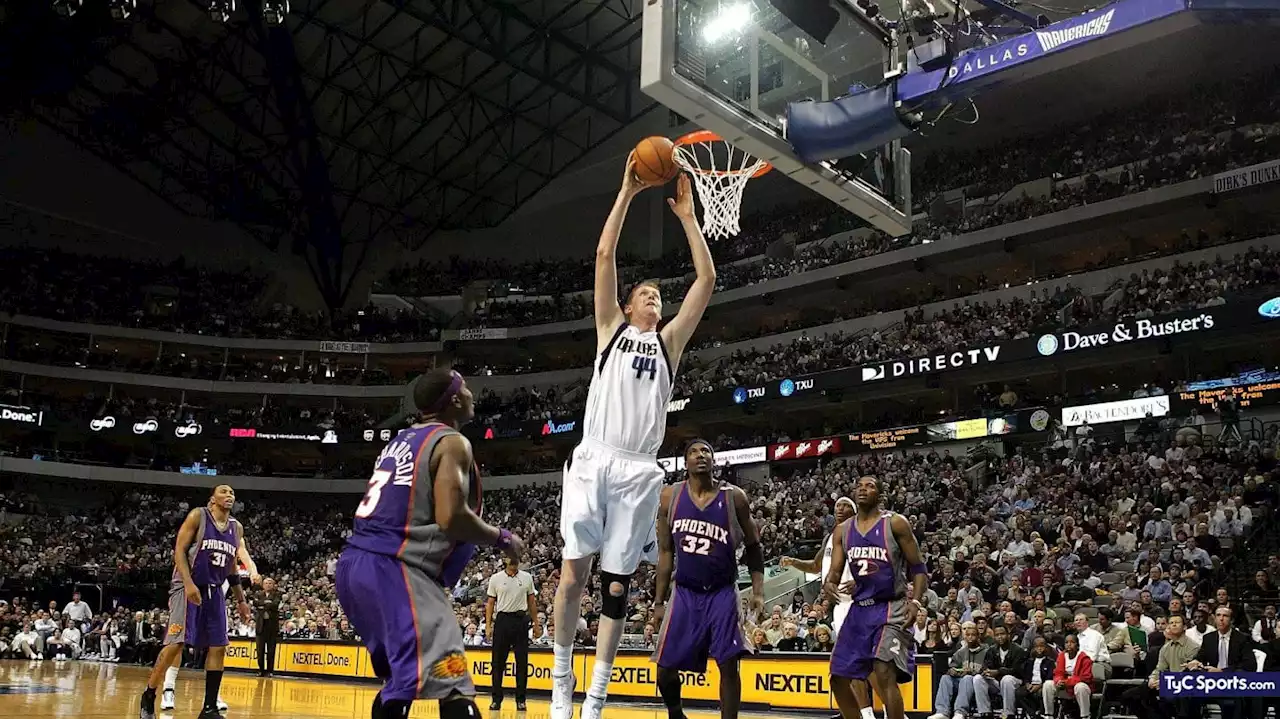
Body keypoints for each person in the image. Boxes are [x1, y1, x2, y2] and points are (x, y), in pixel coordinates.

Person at [552, 158, 717, 719]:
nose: (655, 299)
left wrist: (689, 219)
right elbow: (604, 257)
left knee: (616, 587)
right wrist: (625, 192)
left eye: (657, 297)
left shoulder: (669, 344)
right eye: (645, 293)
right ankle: (560, 685)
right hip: (595, 457)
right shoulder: (609, 332)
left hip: (639, 469)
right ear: (626, 305)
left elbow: (707, 282)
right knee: (574, 573)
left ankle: (596, 696)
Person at [336, 369, 525, 719]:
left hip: (356, 568)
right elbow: (450, 516)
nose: (471, 394)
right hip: (396, 569)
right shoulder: (452, 442)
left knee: (402, 681)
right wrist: (503, 538)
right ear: (454, 399)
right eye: (466, 388)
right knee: (451, 680)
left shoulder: (398, 441)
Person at [650, 440, 764, 719]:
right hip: (685, 592)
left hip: (722, 592)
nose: (700, 456)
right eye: (693, 452)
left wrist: (758, 591)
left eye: (706, 452)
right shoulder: (669, 497)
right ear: (685, 462)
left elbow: (754, 545)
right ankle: (676, 713)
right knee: (664, 669)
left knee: (728, 664)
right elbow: (666, 552)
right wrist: (658, 601)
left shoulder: (734, 496)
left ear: (714, 461)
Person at [140, 485, 257, 719]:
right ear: (212, 499)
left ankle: (209, 708)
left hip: (214, 588)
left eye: (232, 492)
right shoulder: (198, 515)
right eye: (224, 491)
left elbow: (232, 567)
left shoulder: (236, 528)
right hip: (187, 585)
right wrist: (189, 584)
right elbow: (179, 551)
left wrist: (241, 600)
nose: (230, 495)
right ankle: (149, 695)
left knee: (218, 646)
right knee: (176, 643)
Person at [827, 476, 929, 719]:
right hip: (859, 609)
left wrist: (915, 601)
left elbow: (918, 568)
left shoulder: (895, 523)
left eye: (870, 485)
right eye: (859, 485)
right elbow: (835, 571)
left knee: (883, 672)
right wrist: (829, 583)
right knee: (838, 680)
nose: (863, 489)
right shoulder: (842, 530)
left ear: (880, 495)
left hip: (890, 607)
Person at [780, 496, 856, 634]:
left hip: (852, 598)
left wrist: (859, 581)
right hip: (836, 600)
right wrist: (793, 561)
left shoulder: (858, 535)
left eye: (846, 505)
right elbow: (815, 566)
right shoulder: (829, 538)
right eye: (838, 505)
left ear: (855, 512)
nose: (840, 508)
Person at [1119, 614, 1199, 719]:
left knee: (1169, 699)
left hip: (1182, 685)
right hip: (1164, 682)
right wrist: (1153, 679)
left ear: (1184, 627)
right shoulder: (1165, 648)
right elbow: (1159, 668)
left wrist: (1166, 681)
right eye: (1171, 623)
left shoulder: (1193, 647)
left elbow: (1189, 673)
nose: (1173, 624)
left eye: (1177, 622)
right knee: (1129, 696)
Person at [485, 556, 536, 710]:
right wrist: (488, 625)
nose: (514, 561)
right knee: (497, 663)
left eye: (516, 559)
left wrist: (536, 624)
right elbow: (490, 603)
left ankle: (521, 700)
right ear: (505, 560)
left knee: (522, 662)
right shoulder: (496, 578)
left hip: (521, 620)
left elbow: (532, 602)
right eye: (510, 558)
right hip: (503, 620)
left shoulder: (527, 578)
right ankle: (496, 699)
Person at [1184, 606, 1252, 719]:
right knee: (1190, 686)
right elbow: (1201, 657)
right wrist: (1196, 661)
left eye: (1225, 616)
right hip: (1211, 681)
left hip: (1232, 681)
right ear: (1214, 619)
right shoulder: (1208, 638)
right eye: (1218, 615)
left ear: (1232, 620)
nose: (1221, 619)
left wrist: (1222, 671)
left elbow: (1248, 664)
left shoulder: (1243, 639)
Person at [973, 624, 1027, 719]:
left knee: (1007, 679)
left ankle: (1009, 713)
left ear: (1008, 635)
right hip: (997, 682)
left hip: (1015, 682)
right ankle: (985, 712)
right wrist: (985, 671)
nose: (1000, 637)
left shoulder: (1018, 650)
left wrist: (999, 671)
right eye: (997, 635)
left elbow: (1018, 671)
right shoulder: (992, 650)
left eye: (1002, 634)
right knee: (978, 678)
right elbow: (986, 665)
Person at [1046, 633, 1094, 718]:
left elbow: (1085, 678)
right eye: (1066, 642)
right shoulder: (1062, 656)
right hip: (1064, 688)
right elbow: (1058, 673)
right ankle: (1049, 714)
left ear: (1078, 645)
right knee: (1048, 684)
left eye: (1072, 642)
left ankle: (1085, 715)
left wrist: (1067, 682)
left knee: (1080, 686)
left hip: (1080, 689)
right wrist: (1059, 681)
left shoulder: (1084, 658)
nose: (1069, 644)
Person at [252, 577, 282, 677]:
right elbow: (255, 603)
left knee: (271, 651)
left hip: (272, 627)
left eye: (270, 583)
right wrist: (266, 603)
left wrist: (262, 605)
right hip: (260, 626)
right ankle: (261, 670)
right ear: (263, 585)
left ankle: (270, 671)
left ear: (273, 585)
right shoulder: (258, 594)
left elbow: (275, 605)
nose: (268, 585)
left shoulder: (277, 594)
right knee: (260, 651)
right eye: (266, 583)